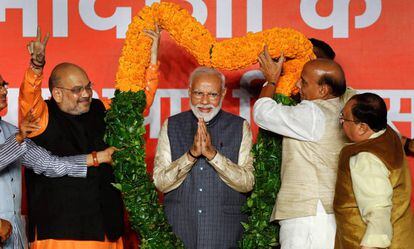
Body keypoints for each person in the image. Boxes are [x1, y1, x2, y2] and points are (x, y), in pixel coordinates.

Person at [18, 27, 160, 249]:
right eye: (76, 90)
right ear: (57, 93)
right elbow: (28, 98)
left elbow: (135, 106)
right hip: (59, 235)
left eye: (88, 87)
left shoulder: (101, 107)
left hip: (106, 231)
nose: (85, 94)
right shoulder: (40, 116)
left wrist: (151, 61)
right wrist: (36, 68)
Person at [0, 75, 116, 249]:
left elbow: (50, 164)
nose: (4, 90)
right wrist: (18, 138)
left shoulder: (12, 132)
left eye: (4, 85)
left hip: (13, 239)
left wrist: (99, 157)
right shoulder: (17, 136)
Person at [253, 46, 351, 249]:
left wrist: (272, 79)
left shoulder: (312, 113)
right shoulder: (344, 107)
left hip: (309, 216)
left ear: (323, 91)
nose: (298, 84)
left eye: (304, 82)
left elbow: (263, 113)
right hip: (324, 213)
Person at [153, 66, 254, 249]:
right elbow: (160, 182)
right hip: (180, 229)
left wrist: (212, 155)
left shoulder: (239, 127)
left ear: (223, 94)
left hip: (225, 231)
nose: (205, 101)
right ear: (189, 92)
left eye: (213, 94)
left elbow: (247, 182)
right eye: (199, 93)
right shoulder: (172, 125)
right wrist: (191, 155)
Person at [334, 93, 414, 249]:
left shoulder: (366, 157)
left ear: (363, 127)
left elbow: (378, 212)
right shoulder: (388, 134)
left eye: (344, 118)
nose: (341, 123)